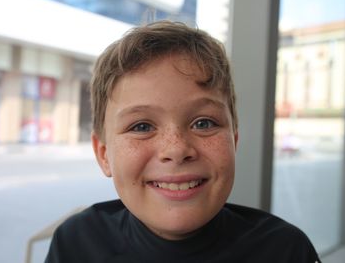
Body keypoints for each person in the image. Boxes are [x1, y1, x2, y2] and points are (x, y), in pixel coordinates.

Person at [45, 21, 321, 263]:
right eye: (141, 126)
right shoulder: (76, 243)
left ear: (233, 141)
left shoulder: (286, 251)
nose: (176, 149)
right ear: (104, 155)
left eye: (204, 123)